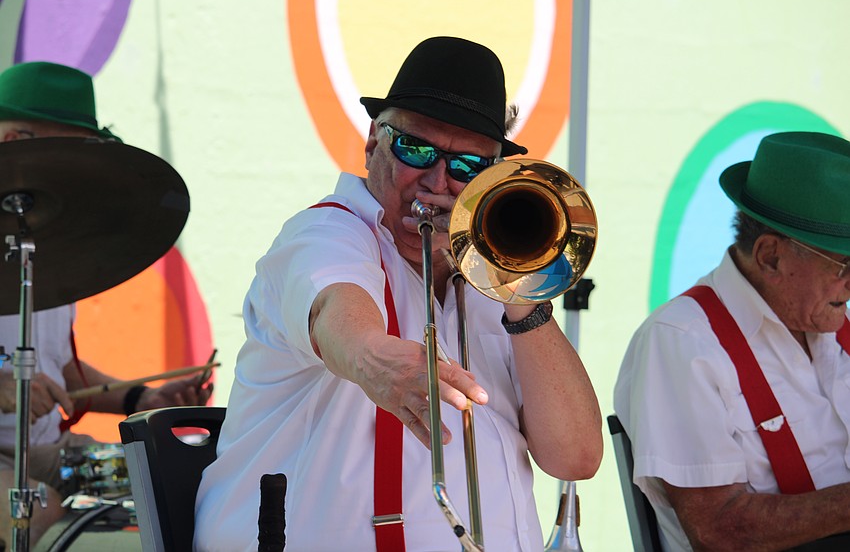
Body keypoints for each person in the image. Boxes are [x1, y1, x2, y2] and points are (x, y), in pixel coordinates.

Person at [194, 36, 603, 551]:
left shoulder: (486, 278)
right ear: (373, 140)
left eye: (468, 167)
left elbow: (576, 457)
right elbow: (336, 309)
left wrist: (521, 287)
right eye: (416, 149)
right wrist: (373, 357)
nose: (437, 182)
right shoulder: (326, 235)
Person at [0, 61, 214, 547]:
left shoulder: (47, 249)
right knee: (36, 510)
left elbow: (63, 375)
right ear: (14, 145)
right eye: (65, 156)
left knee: (194, 481)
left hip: (46, 448)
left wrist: (142, 400)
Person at [614, 131, 850, 551]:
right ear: (770, 256)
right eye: (843, 264)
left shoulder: (828, 316)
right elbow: (720, 530)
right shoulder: (683, 342)